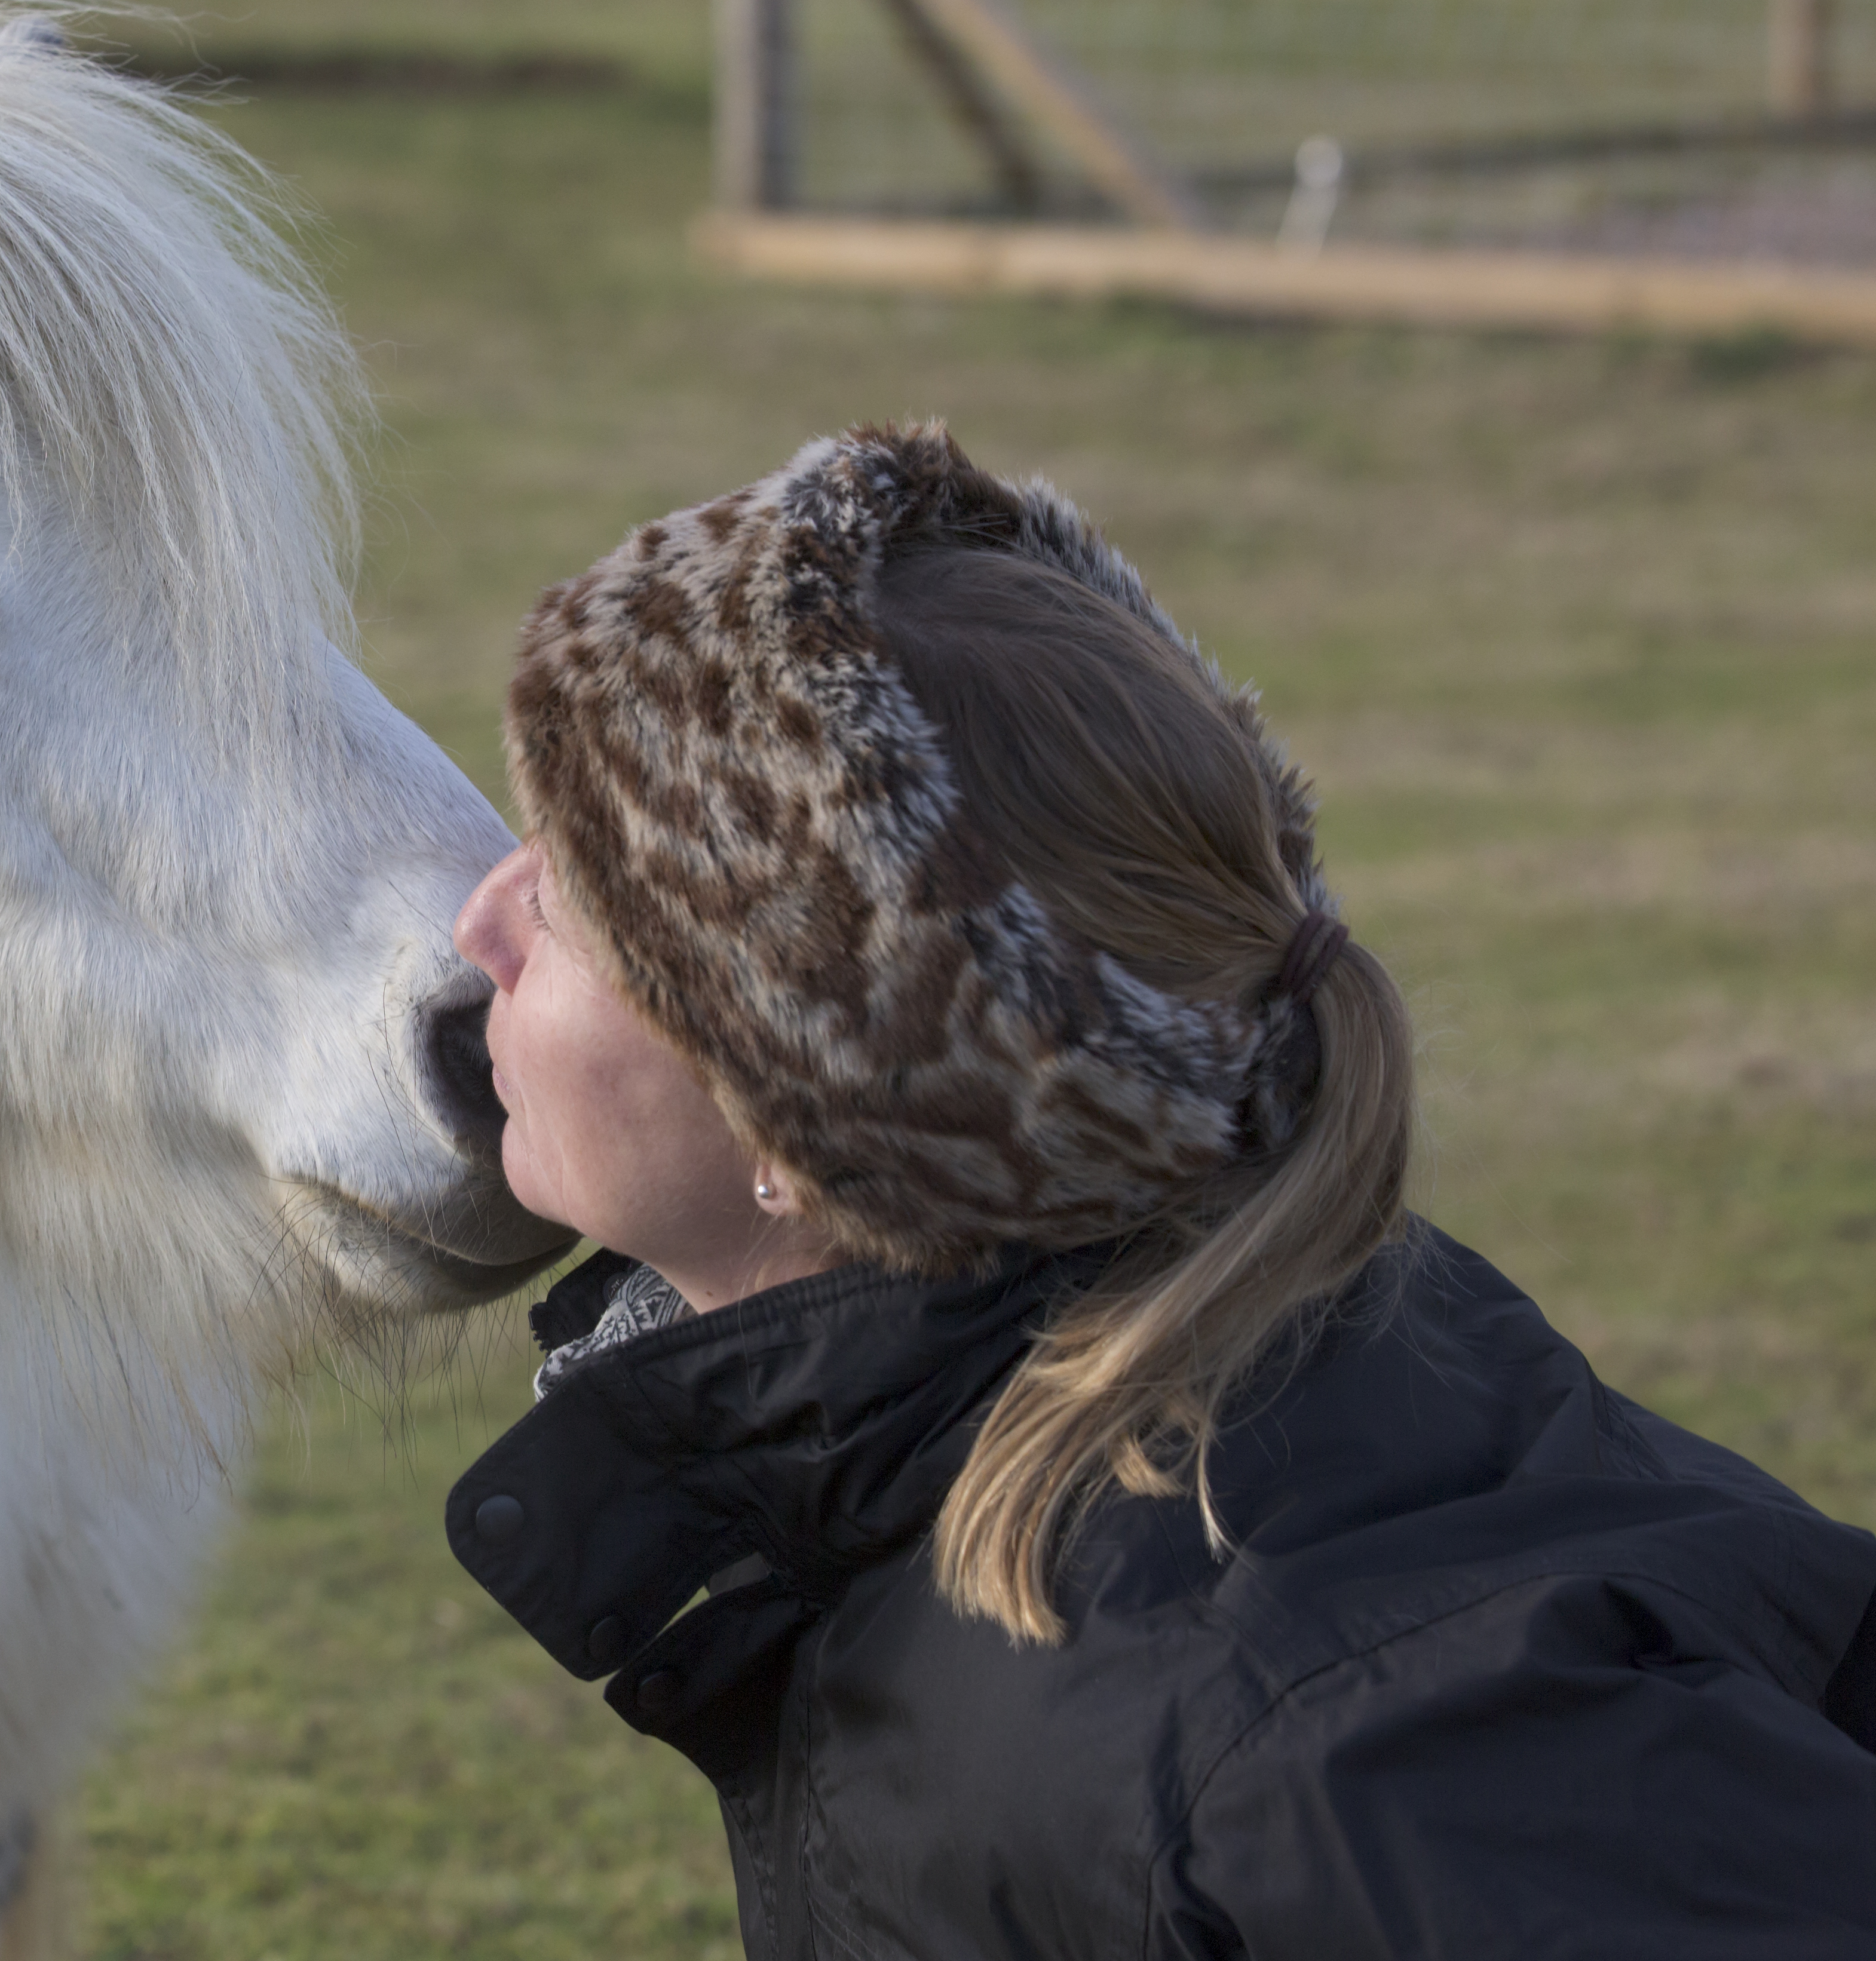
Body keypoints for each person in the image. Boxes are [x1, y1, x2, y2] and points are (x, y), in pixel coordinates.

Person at [443, 423, 1876, 1959]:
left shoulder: (1335, 1750)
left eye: (582, 905)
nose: (479, 924)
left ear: (804, 1119)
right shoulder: (1227, 1348)